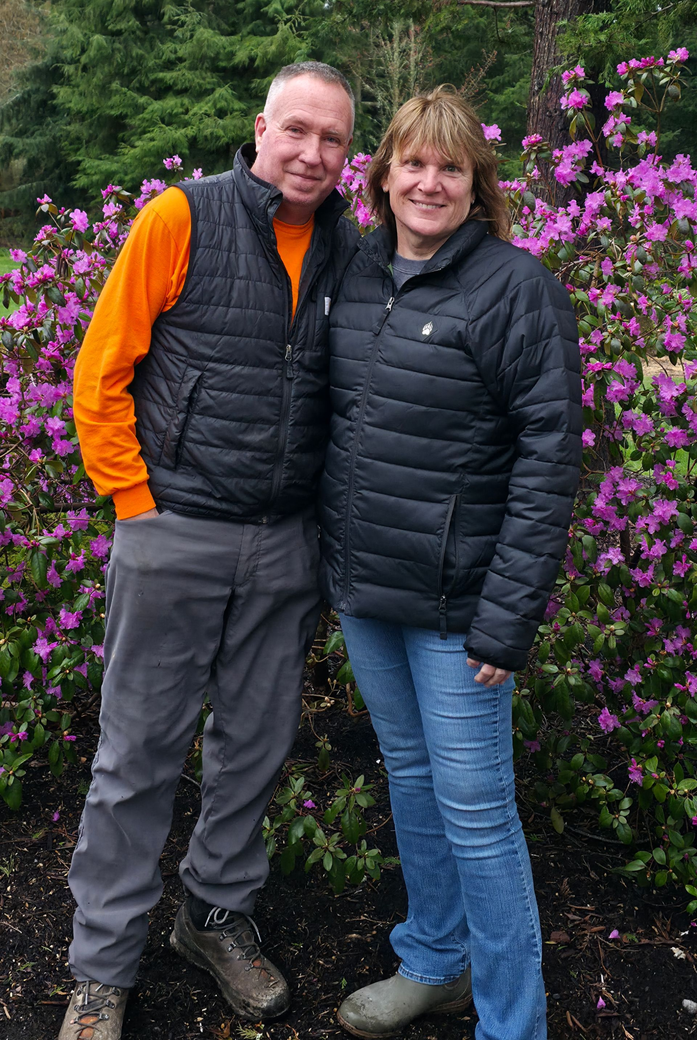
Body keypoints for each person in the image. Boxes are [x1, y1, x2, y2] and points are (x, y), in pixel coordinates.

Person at [59, 62, 358, 1040]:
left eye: (334, 140)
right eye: (299, 131)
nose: (313, 153)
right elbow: (100, 371)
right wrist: (135, 506)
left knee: (253, 749)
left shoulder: (348, 245)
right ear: (261, 127)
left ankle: (212, 917)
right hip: (172, 530)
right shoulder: (180, 217)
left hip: (284, 544)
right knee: (136, 753)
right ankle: (101, 966)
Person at [319, 86, 581, 1040]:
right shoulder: (353, 273)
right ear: (381, 175)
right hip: (366, 591)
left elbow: (549, 458)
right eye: (412, 163)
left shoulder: (514, 289)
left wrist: (507, 619)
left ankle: (512, 1024)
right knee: (412, 783)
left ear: (478, 185)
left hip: (459, 612)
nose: (428, 182)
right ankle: (434, 962)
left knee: (477, 816)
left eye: (451, 166)